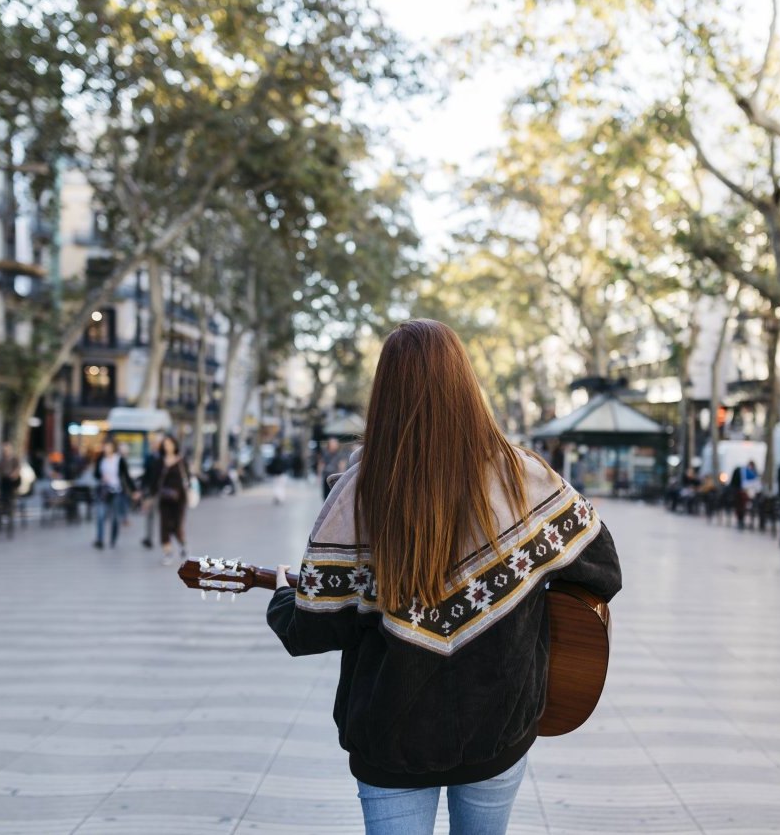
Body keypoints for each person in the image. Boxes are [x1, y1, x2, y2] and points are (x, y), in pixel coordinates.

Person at [267, 319, 622, 835]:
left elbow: (311, 629)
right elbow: (603, 571)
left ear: (384, 392)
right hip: (498, 729)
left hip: (391, 740)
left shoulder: (357, 495)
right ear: (465, 382)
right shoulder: (524, 479)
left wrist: (284, 594)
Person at [93, 439, 135, 550]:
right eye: (105, 446)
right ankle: (100, 539)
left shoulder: (119, 460)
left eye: (109, 446)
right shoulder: (101, 459)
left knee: (115, 517)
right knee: (101, 515)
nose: (106, 449)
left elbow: (126, 476)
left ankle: (113, 538)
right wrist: (101, 477)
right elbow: (96, 474)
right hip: (103, 491)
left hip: (116, 491)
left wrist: (134, 490)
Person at [156, 435, 190, 565]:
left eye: (169, 444)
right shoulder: (160, 461)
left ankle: (183, 545)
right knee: (164, 525)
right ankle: (168, 552)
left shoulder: (181, 461)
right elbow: (154, 480)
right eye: (165, 444)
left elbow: (187, 478)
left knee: (176, 525)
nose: (167, 446)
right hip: (164, 498)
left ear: (175, 445)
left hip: (179, 499)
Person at [140, 433, 163, 549]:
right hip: (151, 491)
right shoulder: (149, 457)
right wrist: (144, 490)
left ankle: (165, 538)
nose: (154, 445)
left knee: (163, 516)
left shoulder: (164, 458)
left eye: (157, 443)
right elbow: (145, 475)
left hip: (163, 491)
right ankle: (149, 537)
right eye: (153, 443)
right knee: (150, 515)